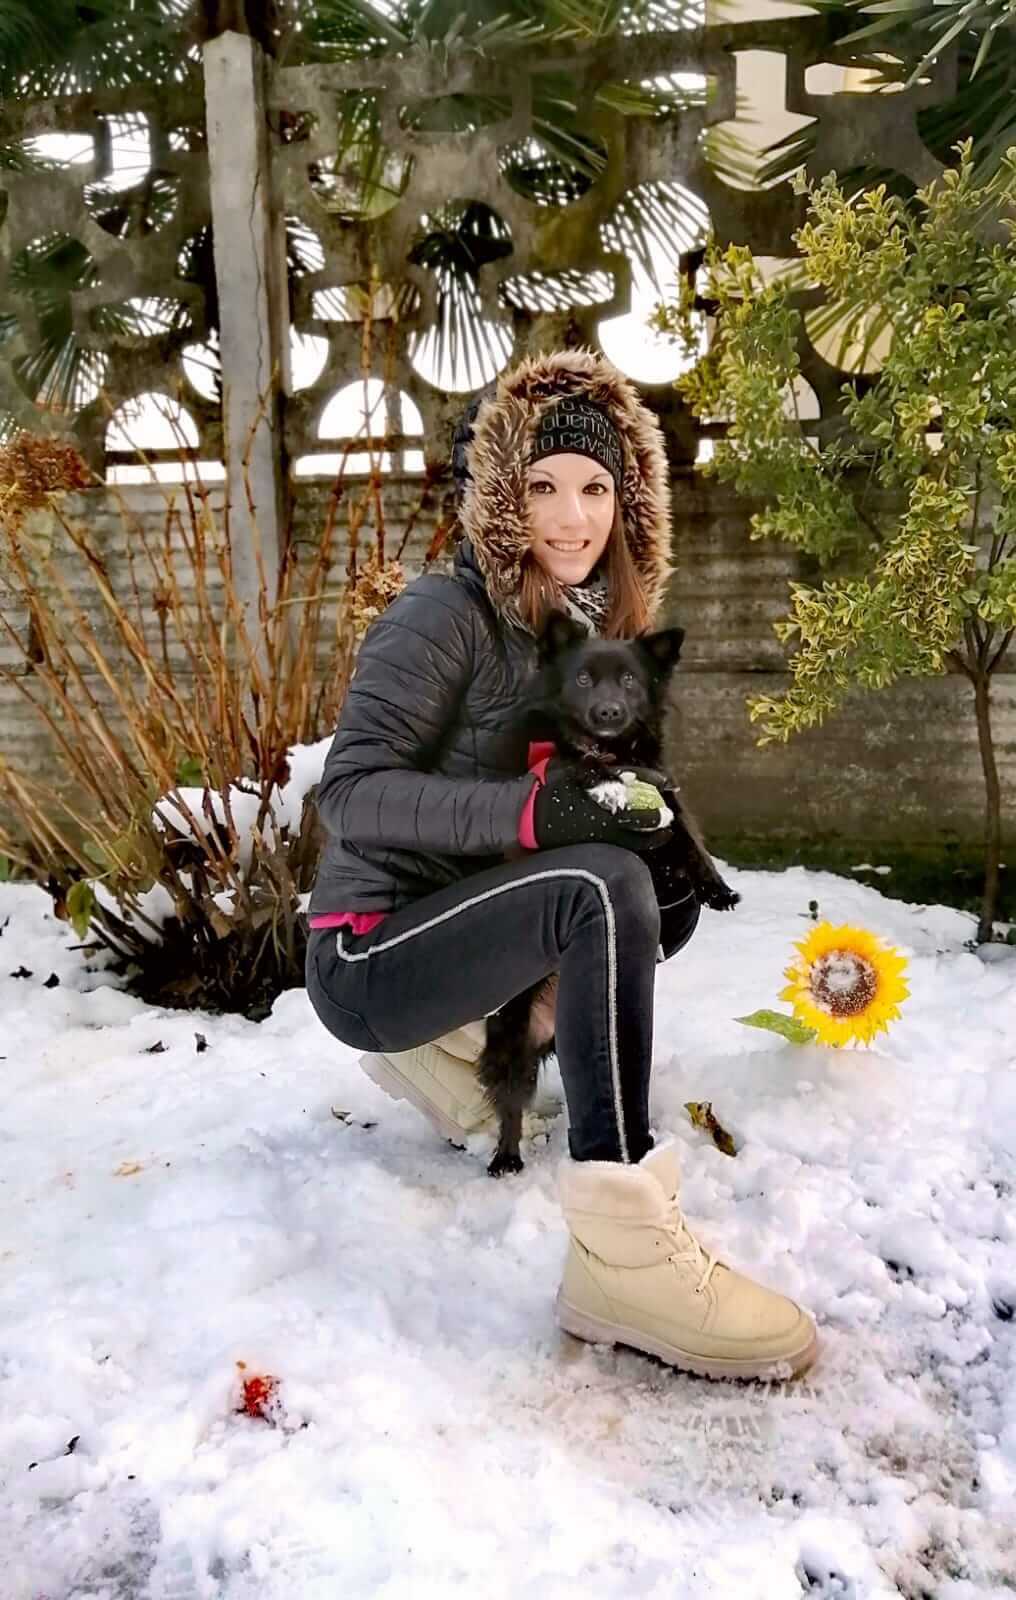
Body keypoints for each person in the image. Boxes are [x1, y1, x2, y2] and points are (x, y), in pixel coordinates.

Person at [305, 349, 818, 1381]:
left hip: (459, 924)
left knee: (652, 886)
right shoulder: (441, 615)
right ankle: (622, 1256)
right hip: (367, 951)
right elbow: (348, 792)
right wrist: (540, 813)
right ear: (499, 498)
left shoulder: (579, 630)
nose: (573, 518)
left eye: (596, 488)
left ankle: (456, 1056)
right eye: (542, 487)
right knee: (597, 888)